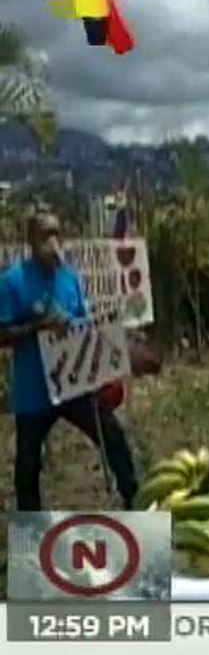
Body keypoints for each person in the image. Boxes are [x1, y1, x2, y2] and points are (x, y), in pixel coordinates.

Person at [0, 211, 138, 510]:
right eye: (45, 236)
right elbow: (3, 334)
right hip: (34, 392)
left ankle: (133, 499)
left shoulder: (70, 278)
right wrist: (37, 327)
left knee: (112, 434)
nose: (53, 242)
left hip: (72, 385)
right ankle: (32, 525)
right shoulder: (12, 282)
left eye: (56, 234)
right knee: (27, 465)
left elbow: (84, 327)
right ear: (31, 241)